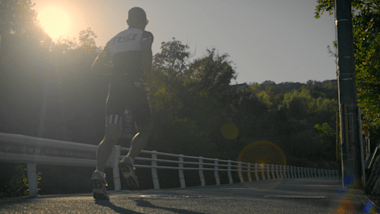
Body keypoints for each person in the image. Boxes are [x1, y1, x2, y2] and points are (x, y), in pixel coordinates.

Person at [90, 7, 153, 200]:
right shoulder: (145, 34)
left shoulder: (113, 40)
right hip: (135, 87)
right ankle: (129, 159)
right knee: (145, 128)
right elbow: (146, 54)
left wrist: (116, 72)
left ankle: (98, 174)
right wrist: (148, 81)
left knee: (109, 136)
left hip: (115, 90)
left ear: (127, 22)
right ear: (145, 21)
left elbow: (95, 67)